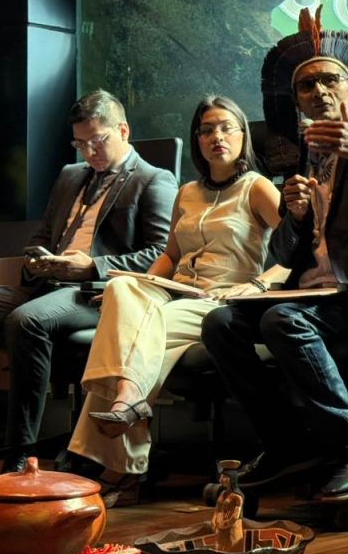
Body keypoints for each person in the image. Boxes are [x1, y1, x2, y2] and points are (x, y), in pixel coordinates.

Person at [202, 7, 348, 504]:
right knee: (220, 324)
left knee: (281, 320)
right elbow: (285, 253)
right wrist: (296, 215)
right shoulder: (305, 153)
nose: (318, 92)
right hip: (310, 293)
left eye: (330, 80)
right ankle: (286, 445)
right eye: (306, 86)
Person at [66, 95, 283, 506]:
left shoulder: (257, 188)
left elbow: (295, 251)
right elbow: (169, 257)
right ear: (197, 139)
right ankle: (128, 400)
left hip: (218, 301)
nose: (216, 137)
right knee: (121, 291)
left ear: (243, 135)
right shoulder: (187, 192)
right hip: (175, 292)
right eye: (207, 130)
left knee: (133, 338)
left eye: (226, 128)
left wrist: (259, 284)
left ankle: (120, 468)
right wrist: (137, 287)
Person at [0, 90, 177, 471]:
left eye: (97, 140)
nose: (89, 152)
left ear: (123, 130)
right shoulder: (70, 176)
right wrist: (38, 261)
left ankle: (19, 456)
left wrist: (91, 267)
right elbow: (41, 236)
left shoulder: (154, 180)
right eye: (80, 144)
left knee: (26, 322)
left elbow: (161, 254)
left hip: (95, 293)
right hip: (45, 284)